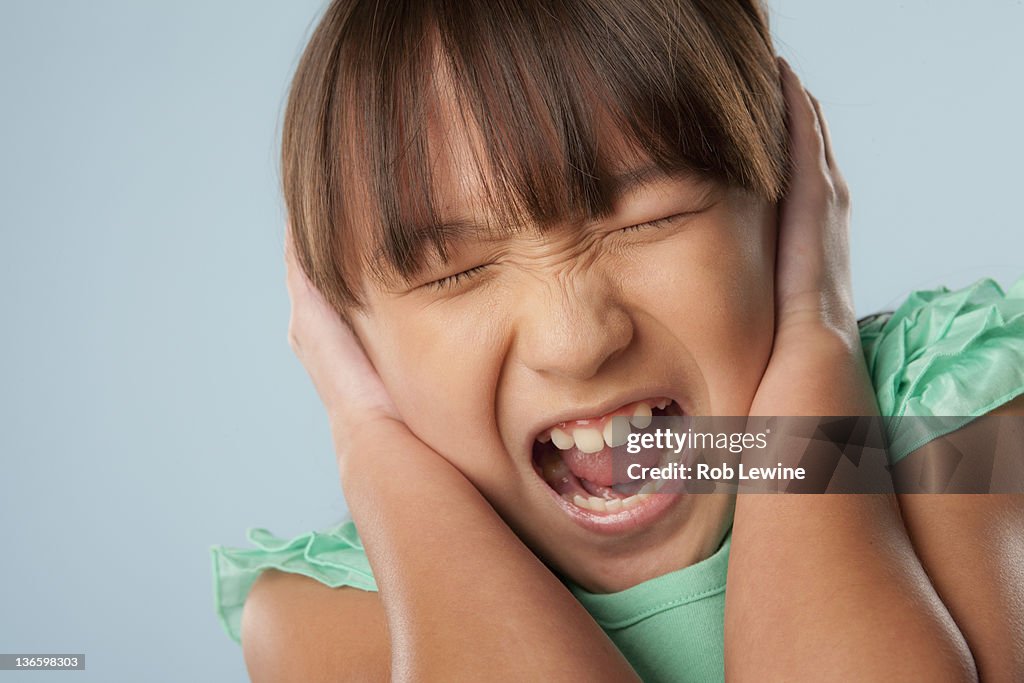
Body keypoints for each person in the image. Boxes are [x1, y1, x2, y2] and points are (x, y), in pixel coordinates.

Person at [211, 0, 1024, 680]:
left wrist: (816, 345)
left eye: (652, 217)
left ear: (785, 205)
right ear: (344, 326)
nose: (575, 342)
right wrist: (372, 447)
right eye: (454, 273)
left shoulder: (955, 416)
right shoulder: (317, 614)